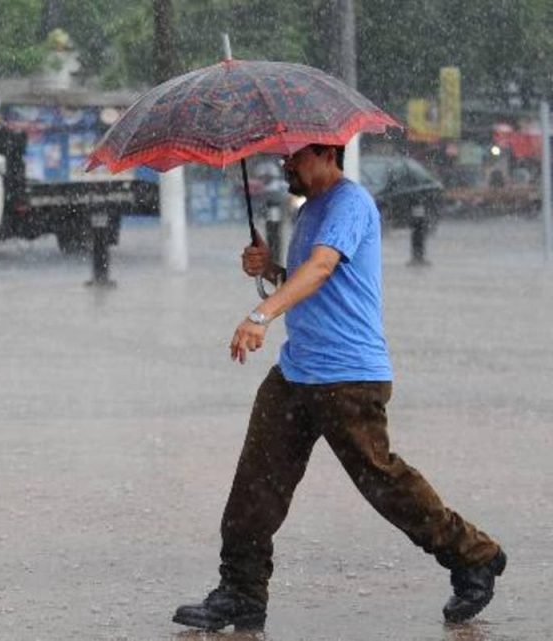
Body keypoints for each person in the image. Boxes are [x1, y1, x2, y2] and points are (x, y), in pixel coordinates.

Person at [172, 144, 506, 632]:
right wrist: (269, 268)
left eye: (296, 157)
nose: (286, 165)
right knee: (256, 484)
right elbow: (310, 280)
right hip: (296, 372)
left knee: (383, 482)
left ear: (327, 152)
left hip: (347, 376)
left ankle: (474, 556)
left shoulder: (350, 202)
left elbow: (324, 267)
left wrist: (261, 314)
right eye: (285, 158)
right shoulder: (309, 211)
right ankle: (241, 593)